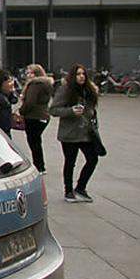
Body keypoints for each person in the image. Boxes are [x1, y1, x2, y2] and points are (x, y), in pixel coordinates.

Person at [50, 63, 101, 203]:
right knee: (70, 162)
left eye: (83, 74)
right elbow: (53, 110)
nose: (81, 77)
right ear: (73, 76)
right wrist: (70, 111)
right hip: (70, 134)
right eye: (78, 74)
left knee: (93, 159)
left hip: (86, 133)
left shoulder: (88, 90)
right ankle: (68, 191)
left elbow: (91, 110)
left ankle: (81, 188)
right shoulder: (65, 90)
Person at [19, 64, 54, 173]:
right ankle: (40, 165)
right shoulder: (46, 83)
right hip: (43, 115)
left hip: (33, 116)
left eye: (30, 73)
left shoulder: (35, 84)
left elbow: (30, 102)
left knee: (33, 141)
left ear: (36, 74)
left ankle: (39, 166)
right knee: (36, 141)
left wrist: (21, 111)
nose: (28, 75)